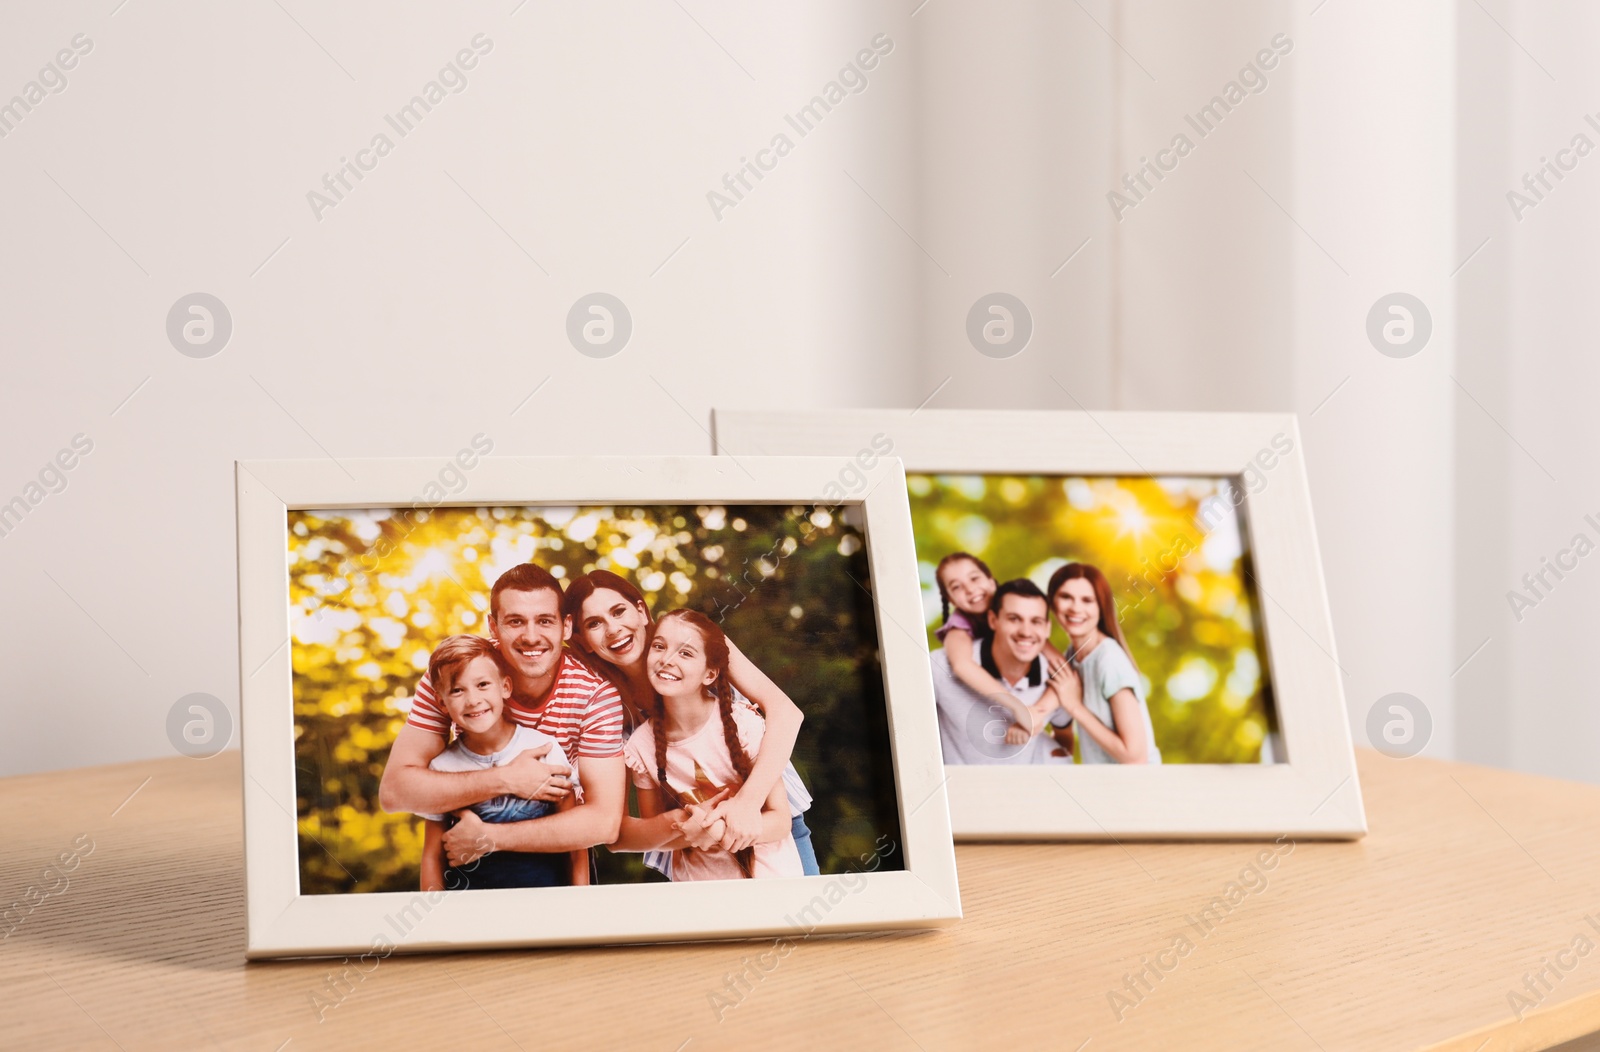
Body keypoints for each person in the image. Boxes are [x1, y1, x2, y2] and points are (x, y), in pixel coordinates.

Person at [563, 570, 821, 876]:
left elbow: (786, 712)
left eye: (618, 611)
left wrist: (746, 805)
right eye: (594, 623)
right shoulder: (605, 705)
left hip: (770, 824)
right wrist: (686, 827)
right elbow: (617, 834)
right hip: (696, 853)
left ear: (642, 611)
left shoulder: (696, 639)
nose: (613, 629)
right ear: (584, 641)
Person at [377, 563, 626, 875]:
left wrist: (490, 838)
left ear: (566, 626)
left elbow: (604, 823)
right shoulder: (453, 675)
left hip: (554, 851)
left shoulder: (595, 696)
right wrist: (507, 779)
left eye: (545, 621)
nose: (531, 637)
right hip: (465, 854)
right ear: (493, 627)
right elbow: (395, 793)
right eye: (515, 622)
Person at [612, 610, 803, 880]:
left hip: (771, 881)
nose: (667, 659)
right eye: (659, 647)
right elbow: (653, 833)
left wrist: (718, 830)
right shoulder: (641, 746)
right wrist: (686, 831)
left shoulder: (742, 724)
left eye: (686, 653)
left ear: (710, 673)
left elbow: (781, 822)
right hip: (697, 893)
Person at [415, 636, 587, 889]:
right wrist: (435, 924)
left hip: (548, 904)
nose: (472, 699)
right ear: (442, 702)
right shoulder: (442, 769)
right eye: (457, 690)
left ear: (505, 687)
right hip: (474, 911)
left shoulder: (543, 750)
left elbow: (575, 842)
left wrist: (580, 903)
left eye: (482, 684)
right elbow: (432, 855)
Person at [929, 578, 1075, 765]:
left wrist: (1033, 721)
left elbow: (1064, 740)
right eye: (1014, 619)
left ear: (1047, 629)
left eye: (1036, 622)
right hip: (957, 791)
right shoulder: (940, 667)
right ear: (993, 620)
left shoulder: (1057, 680)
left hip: (1026, 791)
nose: (1026, 631)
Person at [1044, 563, 1161, 765]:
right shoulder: (1074, 655)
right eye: (1066, 597)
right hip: (1106, 787)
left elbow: (1136, 757)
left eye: (1087, 600)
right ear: (1052, 603)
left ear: (1101, 607)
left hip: (1139, 790)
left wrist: (1075, 707)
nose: (1075, 608)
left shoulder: (1109, 660)